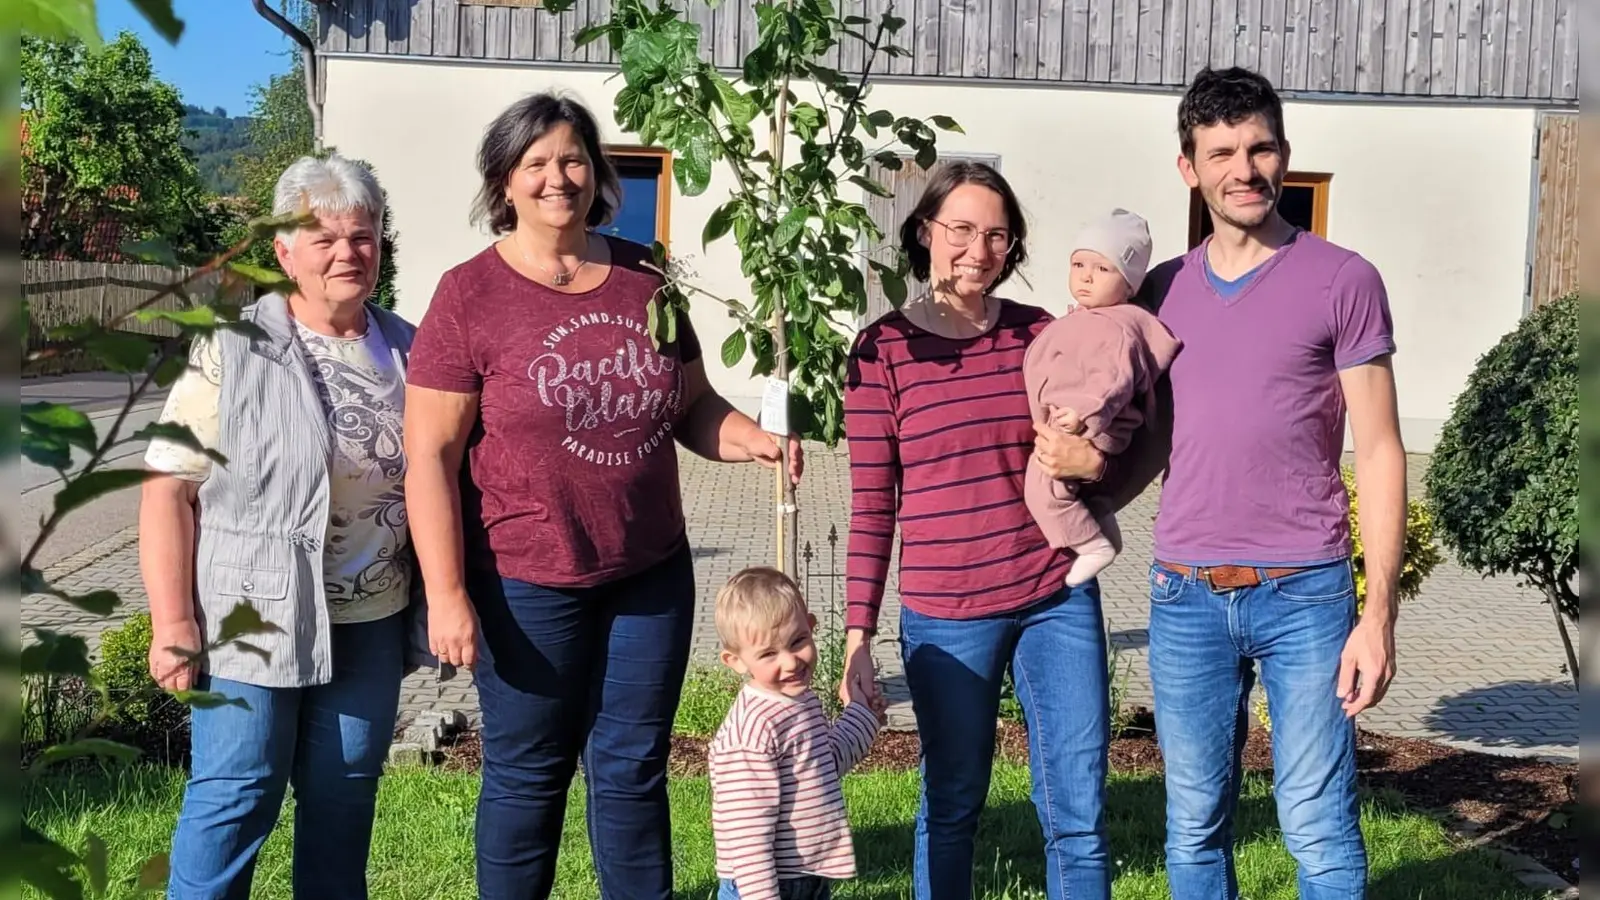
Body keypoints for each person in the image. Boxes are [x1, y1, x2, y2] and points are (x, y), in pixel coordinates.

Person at [401, 92, 804, 900]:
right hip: (524, 576)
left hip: (649, 569)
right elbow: (430, 457)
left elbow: (692, 406)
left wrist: (752, 437)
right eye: (537, 163)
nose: (560, 178)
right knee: (528, 768)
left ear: (599, 173)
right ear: (504, 181)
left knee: (632, 766)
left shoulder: (645, 277)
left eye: (575, 158)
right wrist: (446, 595)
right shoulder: (468, 294)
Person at [1136, 67, 1406, 899]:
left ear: (1284, 154)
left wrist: (1378, 612)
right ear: (1189, 166)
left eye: (1259, 147)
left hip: (1308, 597)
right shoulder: (1159, 291)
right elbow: (1148, 446)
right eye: (1221, 152)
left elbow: (1383, 448)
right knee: (1193, 820)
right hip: (1183, 595)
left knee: (1318, 821)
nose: (1242, 169)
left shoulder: (1343, 280)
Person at [841, 160, 1136, 900]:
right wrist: (857, 638)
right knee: (953, 803)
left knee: (1078, 810)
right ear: (924, 233)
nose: (979, 248)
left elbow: (1105, 437)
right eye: (962, 229)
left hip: (1054, 597)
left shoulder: (1044, 336)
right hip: (945, 615)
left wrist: (1093, 460)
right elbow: (873, 506)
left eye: (998, 234)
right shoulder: (880, 353)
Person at [140, 154, 433, 898]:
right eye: (324, 238)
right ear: (284, 251)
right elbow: (169, 489)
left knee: (343, 802)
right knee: (237, 796)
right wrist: (172, 620)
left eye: (362, 236)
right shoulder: (231, 349)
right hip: (252, 616)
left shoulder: (410, 348)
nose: (347, 253)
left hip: (369, 616)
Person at [1022, 208, 1181, 585]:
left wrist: (1082, 414)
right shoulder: (1089, 318)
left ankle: (1093, 545)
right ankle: (1101, 522)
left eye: (1103, 269)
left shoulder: (1114, 328)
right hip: (1077, 421)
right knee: (1077, 491)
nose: (1086, 276)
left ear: (1129, 285)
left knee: (1042, 487)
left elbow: (1110, 380)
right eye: (1078, 264)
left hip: (1086, 424)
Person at [707, 567, 883, 900]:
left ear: (811, 628)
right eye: (768, 654)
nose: (790, 662)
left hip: (806, 877)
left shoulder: (798, 701)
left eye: (798, 641)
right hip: (764, 885)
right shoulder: (752, 732)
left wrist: (863, 713)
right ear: (736, 661)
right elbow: (748, 836)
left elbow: (825, 762)